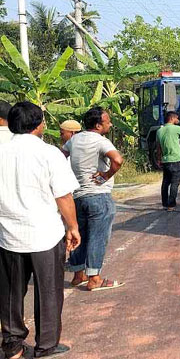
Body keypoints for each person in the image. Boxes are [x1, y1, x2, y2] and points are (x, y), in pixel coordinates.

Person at [0, 102, 81, 358]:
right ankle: (46, 345)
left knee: (11, 293)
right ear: (39, 125)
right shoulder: (49, 153)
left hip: (8, 234)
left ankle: (12, 345)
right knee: (49, 291)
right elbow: (64, 196)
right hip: (45, 234)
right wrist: (73, 227)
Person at [63, 107, 124, 292]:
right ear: (98, 125)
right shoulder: (101, 141)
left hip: (77, 197)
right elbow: (118, 160)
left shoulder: (74, 140)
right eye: (107, 121)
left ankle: (77, 274)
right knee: (98, 237)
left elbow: (61, 157)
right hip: (98, 196)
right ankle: (94, 278)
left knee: (78, 235)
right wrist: (106, 175)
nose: (110, 124)